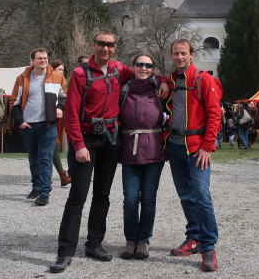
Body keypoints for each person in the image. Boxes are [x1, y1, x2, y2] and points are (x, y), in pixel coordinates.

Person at [49, 29, 168, 273]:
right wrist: (79, 144)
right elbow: (71, 113)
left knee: (102, 194)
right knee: (77, 196)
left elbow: (145, 72)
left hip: (111, 140)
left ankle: (94, 243)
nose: (105, 48)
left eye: (110, 45)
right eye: (101, 44)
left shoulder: (119, 70)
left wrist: (164, 81)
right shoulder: (81, 74)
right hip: (87, 139)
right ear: (94, 45)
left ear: (115, 47)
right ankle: (65, 251)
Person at [164, 38, 222, 272]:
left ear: (191, 54)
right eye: (175, 54)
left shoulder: (203, 79)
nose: (179, 57)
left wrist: (208, 146)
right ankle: (194, 237)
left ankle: (208, 247)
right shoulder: (169, 80)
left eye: (183, 53)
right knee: (186, 196)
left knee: (201, 196)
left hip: (198, 148)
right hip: (175, 146)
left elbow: (214, 114)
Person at [119, 53, 166, 261]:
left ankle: (143, 240)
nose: (144, 68)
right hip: (130, 149)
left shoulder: (160, 90)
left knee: (148, 199)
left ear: (153, 68)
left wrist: (163, 80)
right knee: (130, 199)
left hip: (154, 151)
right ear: (133, 66)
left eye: (148, 65)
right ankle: (130, 240)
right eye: (140, 64)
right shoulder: (124, 88)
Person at [10, 49, 67, 206]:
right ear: (32, 61)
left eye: (45, 58)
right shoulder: (22, 78)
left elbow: (64, 96)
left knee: (45, 158)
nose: (43, 60)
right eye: (40, 58)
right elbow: (14, 103)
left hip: (48, 124)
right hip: (28, 124)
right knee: (33, 158)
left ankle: (44, 192)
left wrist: (60, 108)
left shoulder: (57, 77)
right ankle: (36, 186)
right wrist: (20, 121)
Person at [50, 60, 71, 187]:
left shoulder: (64, 82)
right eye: (59, 69)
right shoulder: (49, 82)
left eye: (63, 70)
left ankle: (58, 174)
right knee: (53, 145)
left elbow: (65, 97)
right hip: (49, 116)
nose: (61, 72)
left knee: (54, 145)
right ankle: (62, 174)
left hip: (61, 116)